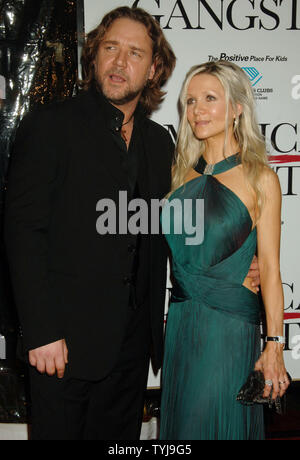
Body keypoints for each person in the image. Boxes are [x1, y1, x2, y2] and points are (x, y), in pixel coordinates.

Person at [4, 7, 259, 440]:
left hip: (132, 350)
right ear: (94, 56)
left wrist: (234, 263)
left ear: (154, 68)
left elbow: (181, 224)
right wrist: (42, 331)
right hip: (62, 344)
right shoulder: (51, 127)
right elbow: (22, 232)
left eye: (135, 53)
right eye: (110, 49)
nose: (120, 63)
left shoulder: (161, 144)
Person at [159, 60, 289, 440]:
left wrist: (274, 345)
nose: (197, 110)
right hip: (181, 324)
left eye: (210, 99)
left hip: (228, 329)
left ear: (237, 108)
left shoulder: (260, 178)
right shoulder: (179, 173)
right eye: (191, 100)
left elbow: (270, 269)